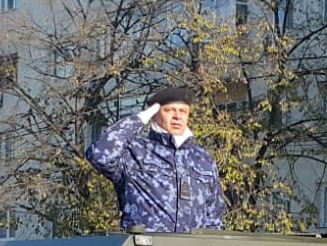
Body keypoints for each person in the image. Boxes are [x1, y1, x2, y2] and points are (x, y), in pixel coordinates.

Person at [86, 85, 225, 233]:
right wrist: (139, 119)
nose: (177, 116)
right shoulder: (135, 152)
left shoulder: (203, 159)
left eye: (183, 111)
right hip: (146, 245)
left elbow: (214, 217)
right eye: (169, 110)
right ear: (154, 114)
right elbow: (99, 155)